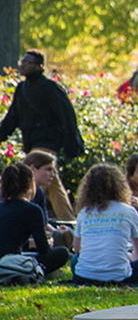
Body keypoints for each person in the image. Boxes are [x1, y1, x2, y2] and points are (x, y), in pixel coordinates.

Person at [1, 50, 84, 220]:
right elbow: (12, 119)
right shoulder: (22, 89)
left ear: (39, 66)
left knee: (36, 178)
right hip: (33, 144)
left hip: (47, 143)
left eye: (27, 62)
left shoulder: (49, 88)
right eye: (22, 61)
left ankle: (67, 223)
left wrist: (71, 143)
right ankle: (61, 222)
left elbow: (67, 116)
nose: (22, 65)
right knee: (44, 182)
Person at [71, 164, 138, 285]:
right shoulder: (129, 211)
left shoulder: (84, 212)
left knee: (75, 260)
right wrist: (128, 257)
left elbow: (77, 249)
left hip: (84, 276)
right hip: (119, 277)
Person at [0, 163, 69, 275]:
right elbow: (44, 250)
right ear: (31, 183)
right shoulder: (33, 210)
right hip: (12, 262)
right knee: (62, 253)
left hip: (7, 257)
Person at [22, 150, 73, 246]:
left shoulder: (39, 192)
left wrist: (59, 233)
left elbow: (43, 224)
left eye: (54, 171)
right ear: (32, 168)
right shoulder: (18, 191)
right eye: (48, 169)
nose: (52, 175)